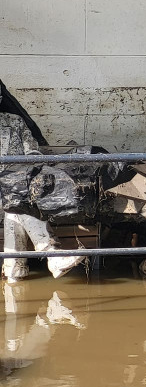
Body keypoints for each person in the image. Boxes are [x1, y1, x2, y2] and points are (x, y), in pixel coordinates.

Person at [0, 91, 85, 281]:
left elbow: (34, 153)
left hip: (17, 188)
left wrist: (24, 172)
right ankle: (51, 255)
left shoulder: (15, 122)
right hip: (9, 196)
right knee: (15, 204)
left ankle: (14, 274)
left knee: (14, 206)